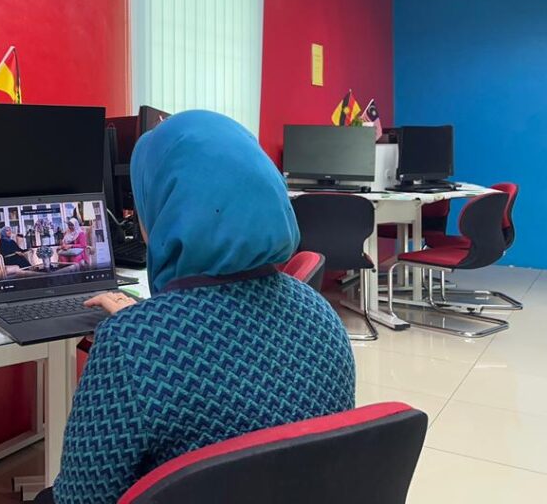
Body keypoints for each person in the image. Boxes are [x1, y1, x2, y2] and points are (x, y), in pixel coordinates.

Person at [45, 110, 356, 504]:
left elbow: (79, 498)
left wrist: (141, 333)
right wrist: (145, 327)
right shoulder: (322, 316)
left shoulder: (131, 346)